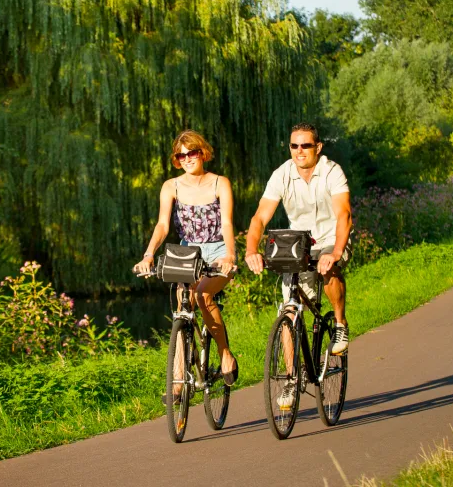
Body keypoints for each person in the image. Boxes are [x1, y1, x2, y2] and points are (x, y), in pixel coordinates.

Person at [244, 123, 353, 409]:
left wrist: (336, 251)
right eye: (294, 145)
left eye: (306, 145)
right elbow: (259, 218)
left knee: (328, 268)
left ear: (318, 147)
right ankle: (292, 379)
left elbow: (344, 214)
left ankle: (339, 323)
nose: (299, 151)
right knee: (289, 310)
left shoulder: (332, 172)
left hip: (331, 239)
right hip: (298, 245)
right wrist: (251, 250)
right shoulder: (282, 174)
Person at [133, 130, 239, 388]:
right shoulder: (171, 186)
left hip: (218, 250)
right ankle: (178, 381)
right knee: (183, 308)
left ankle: (225, 352)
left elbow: (227, 223)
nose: (187, 159)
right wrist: (149, 254)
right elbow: (162, 225)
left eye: (192, 153)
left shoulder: (220, 183)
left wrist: (230, 254)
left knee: (203, 295)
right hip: (187, 253)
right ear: (176, 160)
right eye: (181, 156)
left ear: (203, 153)